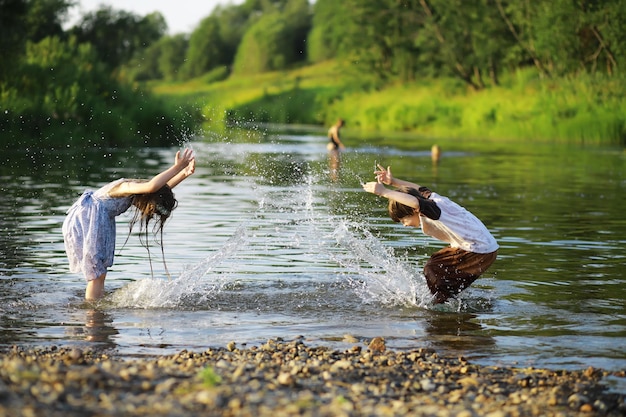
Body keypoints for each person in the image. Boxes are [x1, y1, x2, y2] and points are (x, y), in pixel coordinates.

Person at [62, 148, 196, 300]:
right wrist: (177, 167)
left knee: (99, 274)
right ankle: (93, 314)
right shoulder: (125, 186)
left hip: (94, 220)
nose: (148, 212)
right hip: (88, 221)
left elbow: (157, 190)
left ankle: (97, 305)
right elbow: (152, 187)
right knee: (96, 274)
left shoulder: (135, 195)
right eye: (151, 208)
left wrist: (184, 174)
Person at [362, 165, 498, 304]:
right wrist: (394, 182)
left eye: (404, 220)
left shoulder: (431, 209)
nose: (405, 224)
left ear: (414, 211)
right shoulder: (432, 199)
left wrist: (384, 192)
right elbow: (419, 189)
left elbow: (415, 202)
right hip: (482, 247)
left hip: (478, 250)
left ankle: (440, 305)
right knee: (438, 266)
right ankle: (449, 302)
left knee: (432, 268)